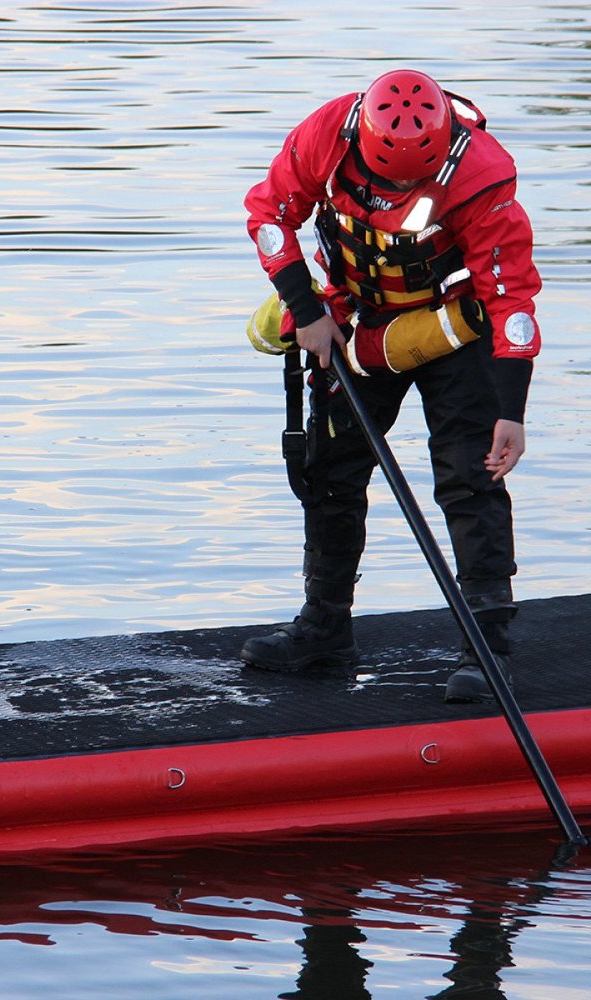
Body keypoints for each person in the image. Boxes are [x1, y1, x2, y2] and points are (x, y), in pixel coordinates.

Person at [241, 69, 541, 703]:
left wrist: (511, 411)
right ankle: (325, 628)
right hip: (356, 319)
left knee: (470, 472)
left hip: (455, 325)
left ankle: (488, 649)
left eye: (414, 180)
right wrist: (309, 309)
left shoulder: (482, 174)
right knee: (330, 469)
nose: (402, 188)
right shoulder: (326, 135)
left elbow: (512, 296)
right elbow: (269, 216)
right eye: (391, 177)